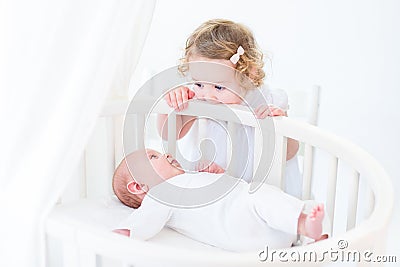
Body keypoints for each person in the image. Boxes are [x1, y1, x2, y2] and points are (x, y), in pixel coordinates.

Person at [157, 19, 302, 197]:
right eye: (199, 83)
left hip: (254, 189)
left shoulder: (267, 100)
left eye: (219, 87)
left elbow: (289, 153)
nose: (208, 95)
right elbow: (169, 134)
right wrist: (171, 104)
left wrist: (278, 124)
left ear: (248, 74)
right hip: (209, 185)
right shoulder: (196, 99)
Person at [112, 149, 325, 252]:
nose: (166, 154)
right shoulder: (161, 194)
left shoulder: (187, 179)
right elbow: (146, 219)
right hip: (241, 220)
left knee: (274, 198)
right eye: (153, 157)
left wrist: (217, 174)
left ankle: (308, 242)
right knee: (262, 197)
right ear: (138, 186)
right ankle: (304, 225)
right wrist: (126, 231)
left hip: (260, 226)